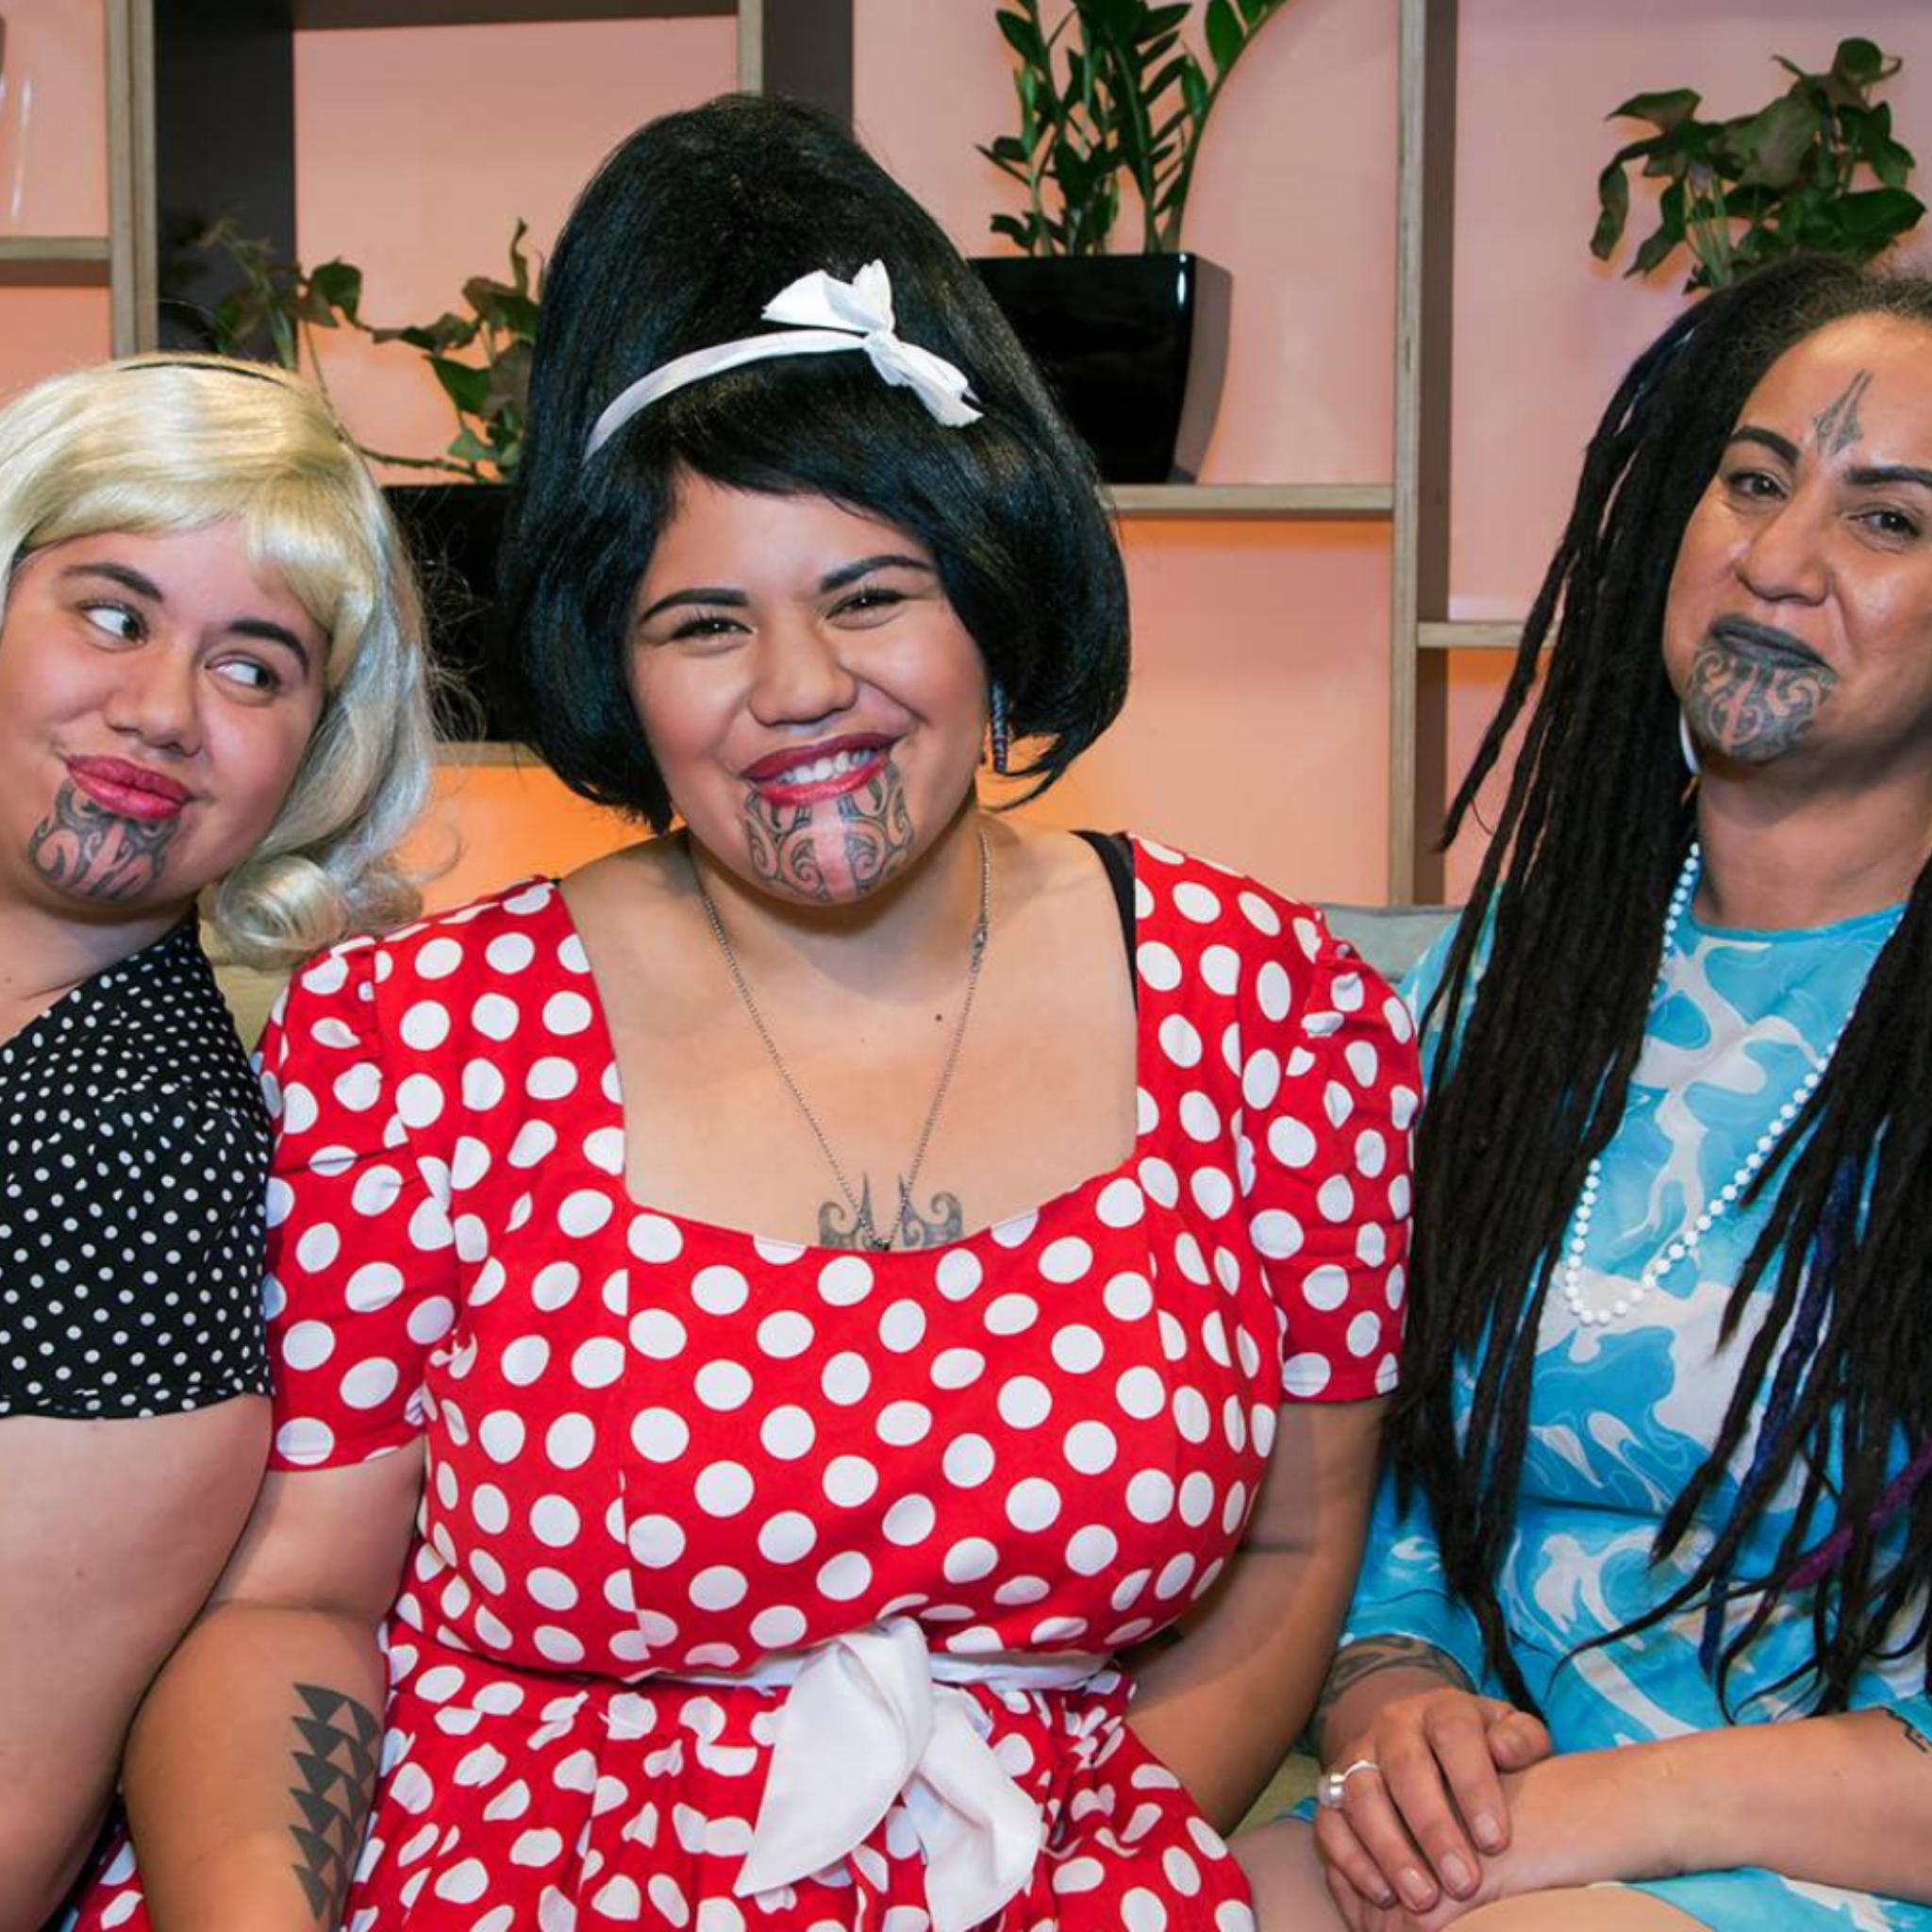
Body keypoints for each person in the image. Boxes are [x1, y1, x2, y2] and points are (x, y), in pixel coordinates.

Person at [68, 95, 1413, 1932]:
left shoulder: (1277, 1014)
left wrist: (1052, 1881)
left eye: (869, 593)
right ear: (612, 664)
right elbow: (292, 1604)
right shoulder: (415, 1038)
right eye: (703, 623)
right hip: (472, 1870)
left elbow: (1290, 1545)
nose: (798, 689)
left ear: (991, 598)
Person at [1235, 252, 1932, 1932]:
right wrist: (1395, 1710)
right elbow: (1376, 1497)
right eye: (1754, 480)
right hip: (1494, 1833)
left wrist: (1584, 1823)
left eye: (1890, 521)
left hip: (1827, 1857)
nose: (1777, 558)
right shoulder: (1493, 999)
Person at [0, 352, 434, 1929]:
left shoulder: (130, 1141)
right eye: (113, 614)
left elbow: (14, 1811)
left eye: (255, 668)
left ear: (312, 760)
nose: (162, 711)